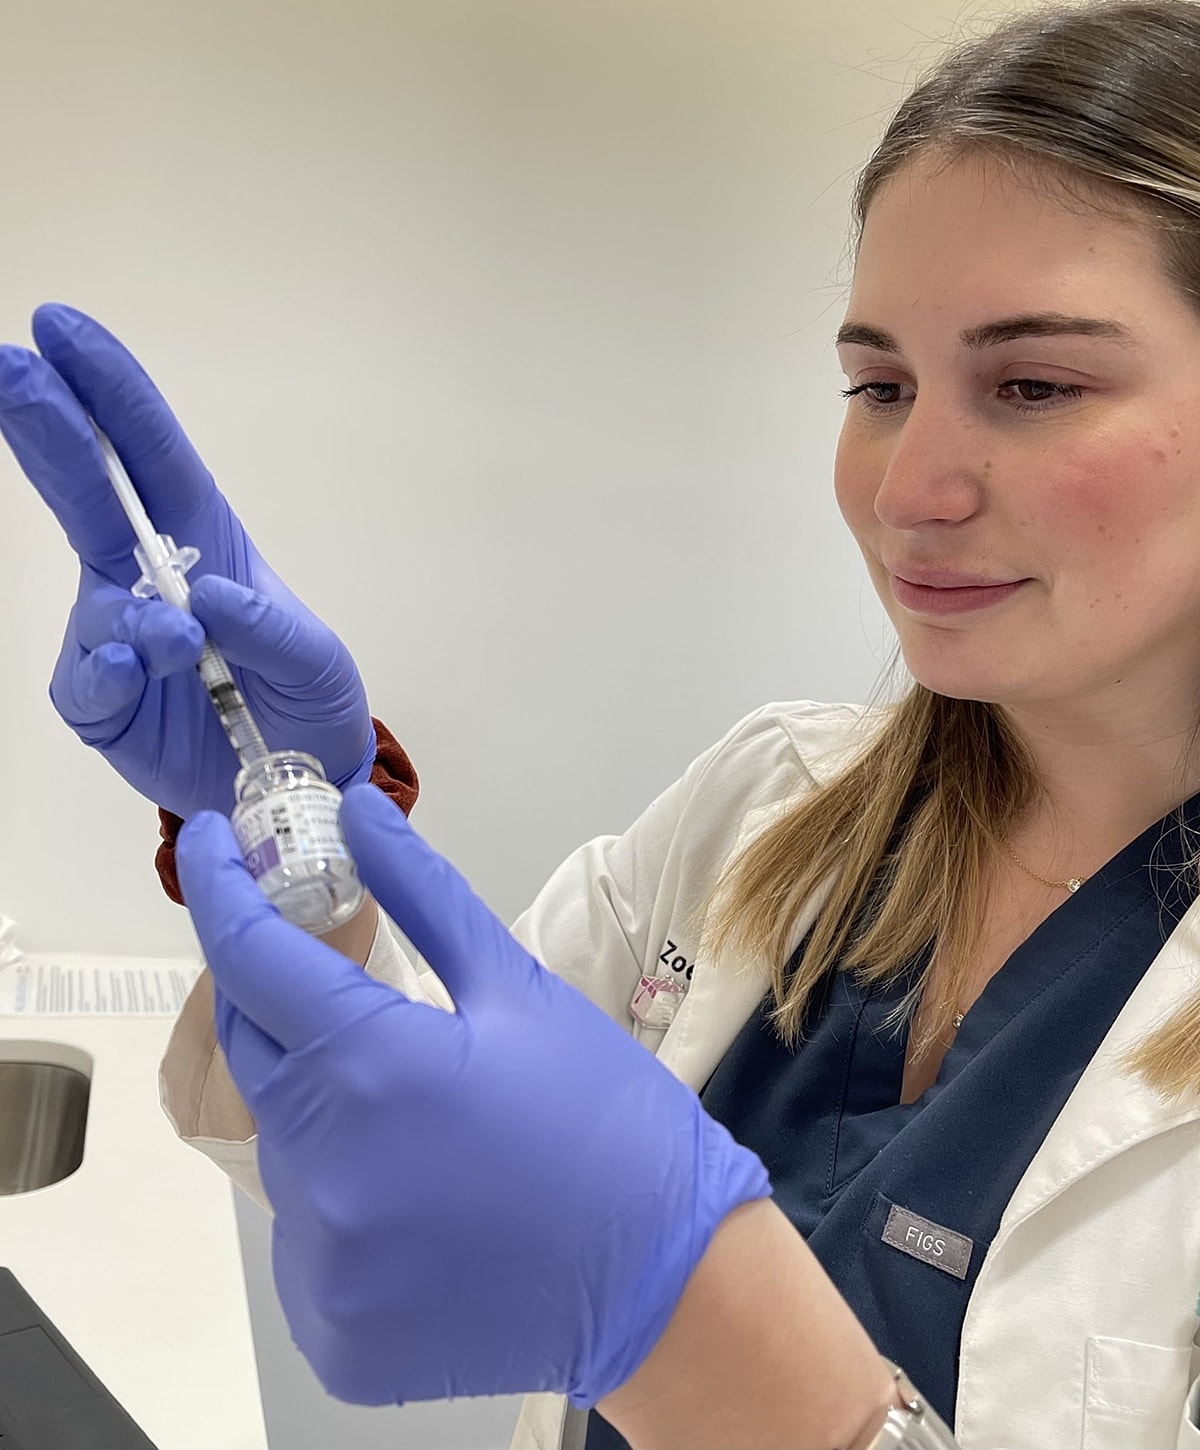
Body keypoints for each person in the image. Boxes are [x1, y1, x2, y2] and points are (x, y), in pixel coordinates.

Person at [4, 0, 1200, 1444]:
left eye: (1034, 385)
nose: (907, 489)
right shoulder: (776, 802)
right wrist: (287, 818)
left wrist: (704, 1337)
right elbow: (438, 1141)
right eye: (879, 385)